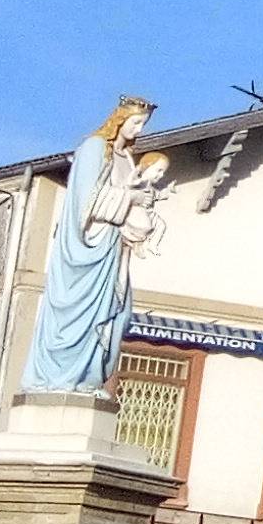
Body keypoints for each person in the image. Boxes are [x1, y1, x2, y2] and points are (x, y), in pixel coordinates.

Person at [20, 96, 164, 395]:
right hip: (89, 248)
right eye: (135, 123)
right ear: (119, 119)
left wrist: (141, 203)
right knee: (79, 318)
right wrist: (131, 199)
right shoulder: (94, 149)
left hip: (115, 250)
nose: (137, 130)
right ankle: (62, 379)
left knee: (118, 314)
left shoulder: (127, 159)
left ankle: (89, 377)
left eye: (142, 125)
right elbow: (88, 203)